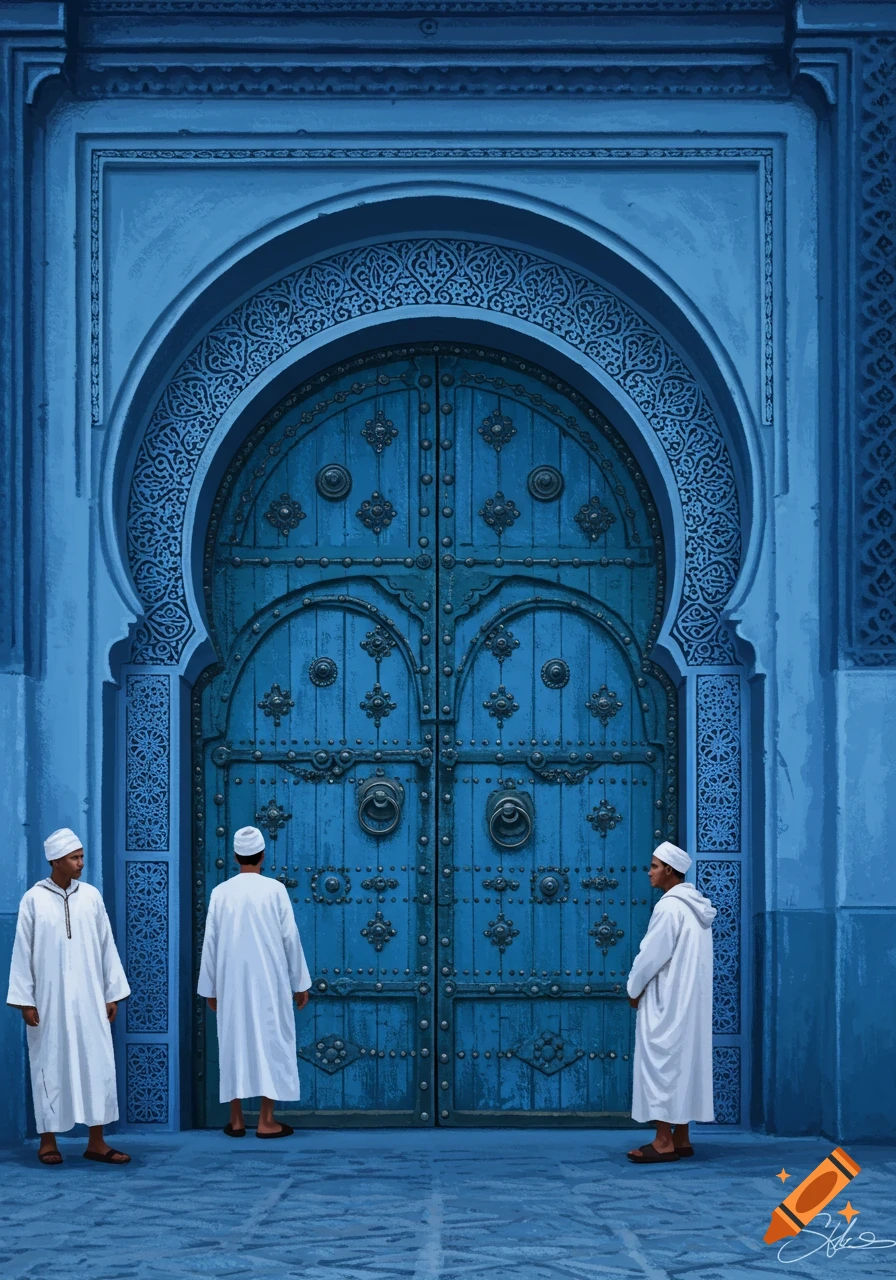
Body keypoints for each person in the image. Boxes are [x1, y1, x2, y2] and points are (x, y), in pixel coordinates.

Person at [6, 828, 131, 1165]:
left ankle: (97, 1142)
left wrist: (111, 993)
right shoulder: (33, 899)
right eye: (74, 858)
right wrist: (25, 1000)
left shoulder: (91, 897)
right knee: (48, 1063)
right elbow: (22, 952)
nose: (81, 863)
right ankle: (48, 1141)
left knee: (97, 1063)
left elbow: (107, 946)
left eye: (81, 857)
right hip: (48, 1001)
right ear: (56, 861)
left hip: (90, 998)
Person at [198, 825, 312, 1138]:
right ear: (262, 856)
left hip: (231, 982)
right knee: (271, 1042)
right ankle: (266, 1120)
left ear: (236, 857)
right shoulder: (275, 890)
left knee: (233, 1042)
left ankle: (235, 1119)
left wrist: (209, 988)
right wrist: (300, 983)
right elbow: (290, 938)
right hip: (270, 980)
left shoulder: (220, 893)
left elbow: (210, 942)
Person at [625, 841, 716, 1164]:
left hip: (667, 1001)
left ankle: (663, 1141)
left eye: (654, 866)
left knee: (661, 1066)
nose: (649, 872)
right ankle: (682, 1137)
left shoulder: (669, 907)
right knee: (683, 1064)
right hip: (691, 1003)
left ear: (669, 870)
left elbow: (651, 956)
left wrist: (633, 988)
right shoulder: (697, 908)